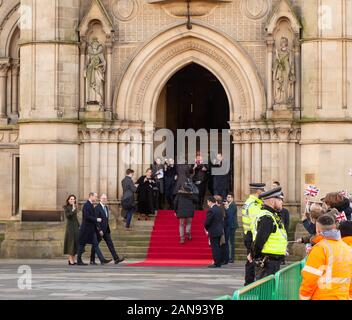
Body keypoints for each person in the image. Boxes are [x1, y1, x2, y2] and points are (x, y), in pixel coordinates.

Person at [299, 214, 352, 300]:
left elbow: (310, 277)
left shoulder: (320, 248)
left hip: (322, 296)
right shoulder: (347, 249)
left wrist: (304, 297)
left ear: (318, 230)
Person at [249, 187, 288, 280]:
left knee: (269, 291)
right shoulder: (267, 217)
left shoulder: (272, 215)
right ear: (272, 201)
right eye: (280, 199)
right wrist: (257, 256)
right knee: (265, 292)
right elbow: (259, 241)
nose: (282, 202)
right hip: (267, 261)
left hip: (272, 260)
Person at [77, 192, 112, 266]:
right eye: (95, 196)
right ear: (91, 196)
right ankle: (79, 260)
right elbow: (86, 217)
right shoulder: (87, 205)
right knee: (82, 245)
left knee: (95, 244)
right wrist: (96, 219)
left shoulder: (91, 205)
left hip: (91, 229)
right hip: (86, 229)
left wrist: (98, 229)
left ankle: (102, 260)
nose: (96, 198)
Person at [242, 183, 266, 285]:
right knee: (252, 261)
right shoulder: (254, 204)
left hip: (248, 234)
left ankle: (249, 284)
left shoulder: (250, 202)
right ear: (258, 191)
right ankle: (249, 284)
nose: (264, 192)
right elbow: (256, 223)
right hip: (252, 235)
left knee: (251, 260)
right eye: (263, 190)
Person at [91, 194, 125, 265]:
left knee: (110, 244)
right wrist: (99, 230)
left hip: (106, 230)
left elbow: (105, 219)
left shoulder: (106, 207)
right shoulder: (97, 208)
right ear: (100, 199)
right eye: (103, 198)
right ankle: (92, 260)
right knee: (95, 245)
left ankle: (116, 259)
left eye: (105, 199)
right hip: (99, 231)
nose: (104, 200)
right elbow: (96, 220)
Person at [204, 196, 224, 268]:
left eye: (207, 202)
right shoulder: (219, 209)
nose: (207, 204)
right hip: (219, 230)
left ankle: (216, 262)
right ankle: (218, 262)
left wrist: (206, 228)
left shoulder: (211, 210)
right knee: (218, 247)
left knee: (215, 247)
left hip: (213, 231)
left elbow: (207, 222)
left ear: (210, 201)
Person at [63, 195, 80, 266]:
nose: (73, 200)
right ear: (68, 200)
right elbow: (68, 216)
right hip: (70, 227)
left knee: (75, 243)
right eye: (71, 199)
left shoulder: (75, 207)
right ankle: (70, 260)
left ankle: (73, 259)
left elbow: (75, 218)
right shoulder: (66, 207)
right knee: (70, 243)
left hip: (75, 226)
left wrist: (79, 226)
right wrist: (72, 210)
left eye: (74, 199)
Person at [224, 193, 238, 264]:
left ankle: (231, 258)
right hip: (229, 225)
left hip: (232, 226)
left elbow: (230, 215)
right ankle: (229, 257)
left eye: (229, 197)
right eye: (227, 197)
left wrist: (226, 208)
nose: (227, 198)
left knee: (231, 242)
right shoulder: (230, 205)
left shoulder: (233, 205)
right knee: (229, 242)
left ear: (232, 198)